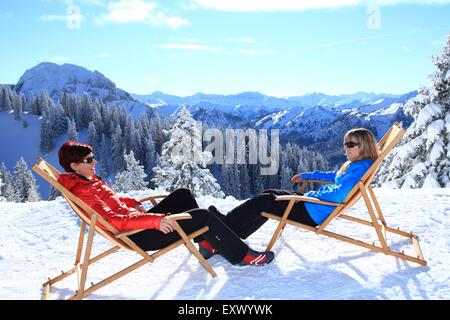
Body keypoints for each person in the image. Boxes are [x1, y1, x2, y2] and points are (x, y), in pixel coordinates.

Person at [56, 141, 274, 266]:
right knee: (202, 216)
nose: (94, 161)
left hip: (135, 223)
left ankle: (207, 243)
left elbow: (113, 202)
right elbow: (111, 219)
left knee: (182, 194)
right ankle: (242, 255)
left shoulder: (87, 180)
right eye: (88, 160)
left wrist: (133, 203)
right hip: (137, 235)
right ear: (74, 166)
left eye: (93, 157)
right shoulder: (83, 189)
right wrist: (155, 220)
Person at [209, 128, 379, 241]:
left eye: (350, 144)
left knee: (265, 201)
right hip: (311, 205)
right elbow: (336, 177)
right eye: (345, 143)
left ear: (363, 146)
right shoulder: (358, 165)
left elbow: (338, 194)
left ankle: (226, 226)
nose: (345, 148)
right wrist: (308, 175)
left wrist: (313, 196)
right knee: (269, 194)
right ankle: (236, 229)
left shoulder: (358, 169)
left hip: (311, 211)